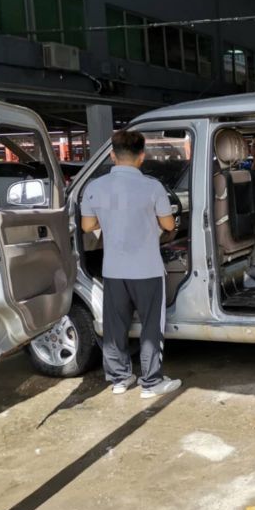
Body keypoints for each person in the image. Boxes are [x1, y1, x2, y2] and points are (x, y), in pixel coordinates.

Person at [80, 130, 182, 398]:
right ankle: (151, 383)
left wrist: (110, 219)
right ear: (142, 156)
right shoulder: (153, 187)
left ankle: (119, 379)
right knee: (151, 327)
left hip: (114, 270)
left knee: (115, 327)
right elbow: (168, 224)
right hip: (147, 269)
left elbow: (87, 226)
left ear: (112, 155)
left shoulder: (94, 188)